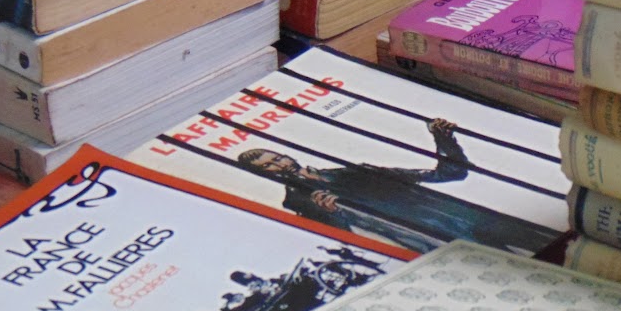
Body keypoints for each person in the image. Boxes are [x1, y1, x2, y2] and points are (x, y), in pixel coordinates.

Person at [236, 118, 558, 255]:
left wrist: (443, 139)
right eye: (267, 166)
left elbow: (448, 175)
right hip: (440, 240)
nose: (278, 165)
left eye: (276, 158)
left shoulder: (354, 171)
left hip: (474, 217)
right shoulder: (298, 202)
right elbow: (346, 242)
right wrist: (332, 215)